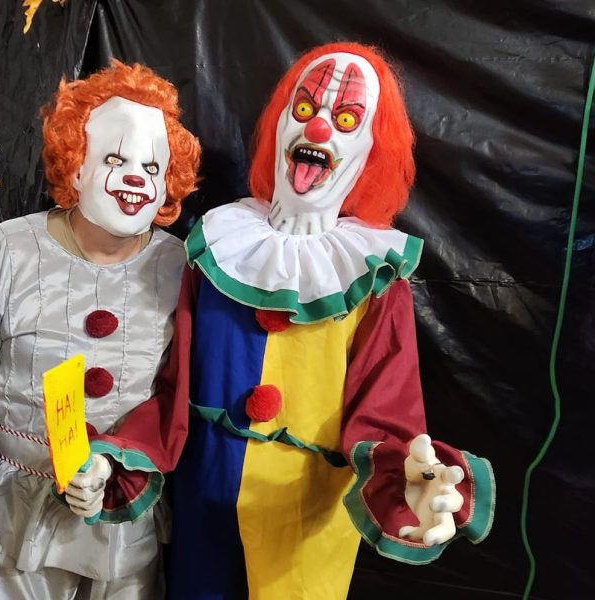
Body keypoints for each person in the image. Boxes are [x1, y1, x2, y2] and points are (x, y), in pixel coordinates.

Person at [169, 42, 495, 599]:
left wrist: (406, 488)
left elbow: (386, 415)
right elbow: (169, 380)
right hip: (201, 509)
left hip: (306, 522)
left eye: (345, 119)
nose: (319, 130)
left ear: (370, 149)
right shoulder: (219, 243)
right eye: (305, 110)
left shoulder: (374, 274)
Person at [0, 60, 200, 599]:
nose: (136, 177)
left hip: (121, 512)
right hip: (12, 513)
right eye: (115, 158)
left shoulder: (180, 268)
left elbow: (176, 393)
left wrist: (118, 460)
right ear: (75, 166)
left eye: (152, 167)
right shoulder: (4, 254)